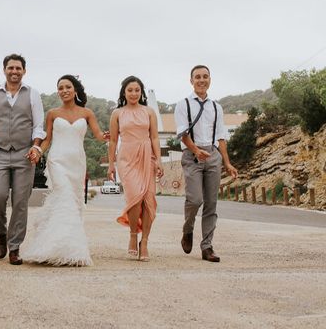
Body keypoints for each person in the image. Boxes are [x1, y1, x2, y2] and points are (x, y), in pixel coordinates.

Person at [22, 75, 108, 266]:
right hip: (57, 161)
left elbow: (99, 135)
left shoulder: (87, 113)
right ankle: (61, 248)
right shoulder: (53, 113)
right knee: (65, 197)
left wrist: (107, 136)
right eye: (60, 88)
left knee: (75, 202)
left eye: (67, 87)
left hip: (77, 162)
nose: (64, 90)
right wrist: (37, 151)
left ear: (75, 90)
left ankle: (66, 247)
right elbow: (47, 139)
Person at [0, 54, 46, 265]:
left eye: (18, 68)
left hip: (24, 154)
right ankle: (2, 233)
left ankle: (14, 247)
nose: (14, 71)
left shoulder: (33, 94)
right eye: (11, 68)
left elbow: (38, 125)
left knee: (20, 202)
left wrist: (35, 146)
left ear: (24, 71)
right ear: (4, 70)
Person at [174, 65, 238, 262]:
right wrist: (195, 150)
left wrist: (227, 162)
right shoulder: (183, 104)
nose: (201, 80)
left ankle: (207, 247)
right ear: (191, 80)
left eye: (205, 76)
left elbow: (221, 138)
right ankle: (188, 229)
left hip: (212, 156)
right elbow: (182, 134)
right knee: (195, 200)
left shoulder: (216, 107)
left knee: (211, 203)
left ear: (210, 79)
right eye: (197, 77)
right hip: (192, 155)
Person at [108, 76, 163, 262]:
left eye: (137, 90)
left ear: (142, 92)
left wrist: (159, 161)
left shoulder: (149, 112)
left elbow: (155, 137)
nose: (133, 93)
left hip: (147, 156)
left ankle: (145, 242)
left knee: (148, 199)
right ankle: (133, 235)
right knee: (134, 198)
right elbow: (113, 140)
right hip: (127, 158)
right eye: (130, 90)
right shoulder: (117, 113)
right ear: (124, 92)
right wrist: (111, 164)